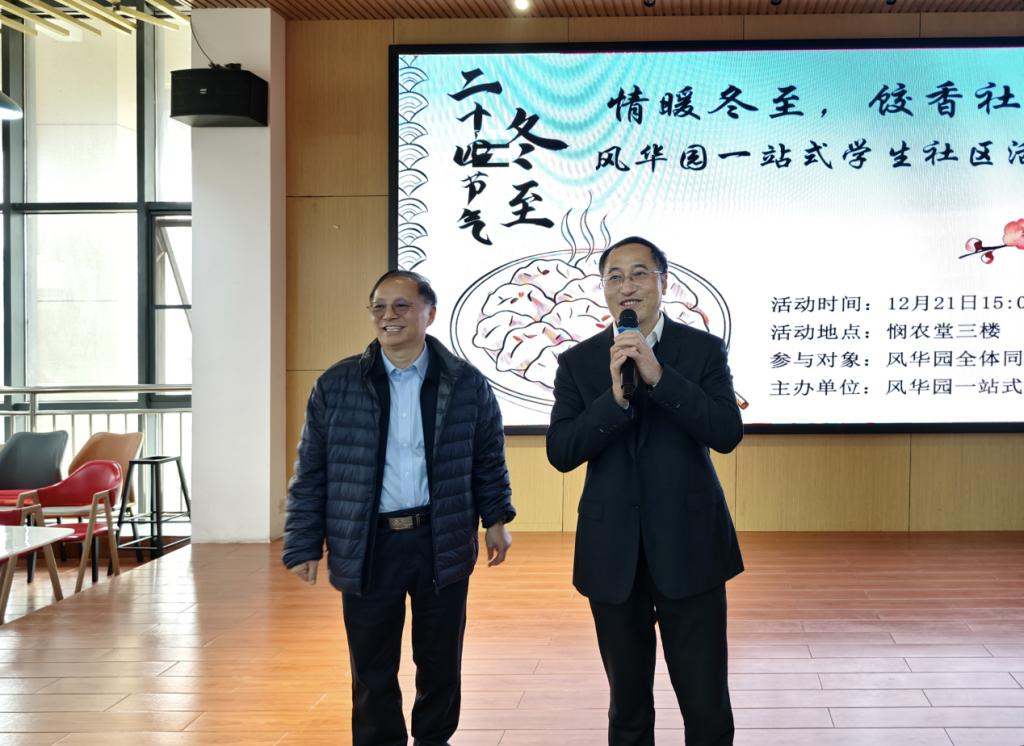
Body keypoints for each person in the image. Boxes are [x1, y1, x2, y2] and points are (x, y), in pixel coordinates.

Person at [283, 269, 515, 746]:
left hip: (440, 538)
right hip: (369, 543)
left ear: (430, 313)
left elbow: (488, 456)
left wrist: (496, 519)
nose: (388, 316)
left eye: (402, 305)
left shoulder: (466, 383)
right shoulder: (337, 384)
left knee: (440, 661)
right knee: (371, 665)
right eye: (379, 307)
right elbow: (311, 469)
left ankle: (434, 739)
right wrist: (303, 542)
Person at [546, 236, 743, 746]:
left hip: (690, 546)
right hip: (613, 555)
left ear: (663, 282)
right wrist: (612, 401)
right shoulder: (578, 362)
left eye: (638, 273)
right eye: (614, 276)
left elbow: (726, 432)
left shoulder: (702, 350)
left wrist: (660, 377)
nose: (626, 286)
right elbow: (561, 451)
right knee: (628, 709)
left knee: (706, 704)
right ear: (603, 289)